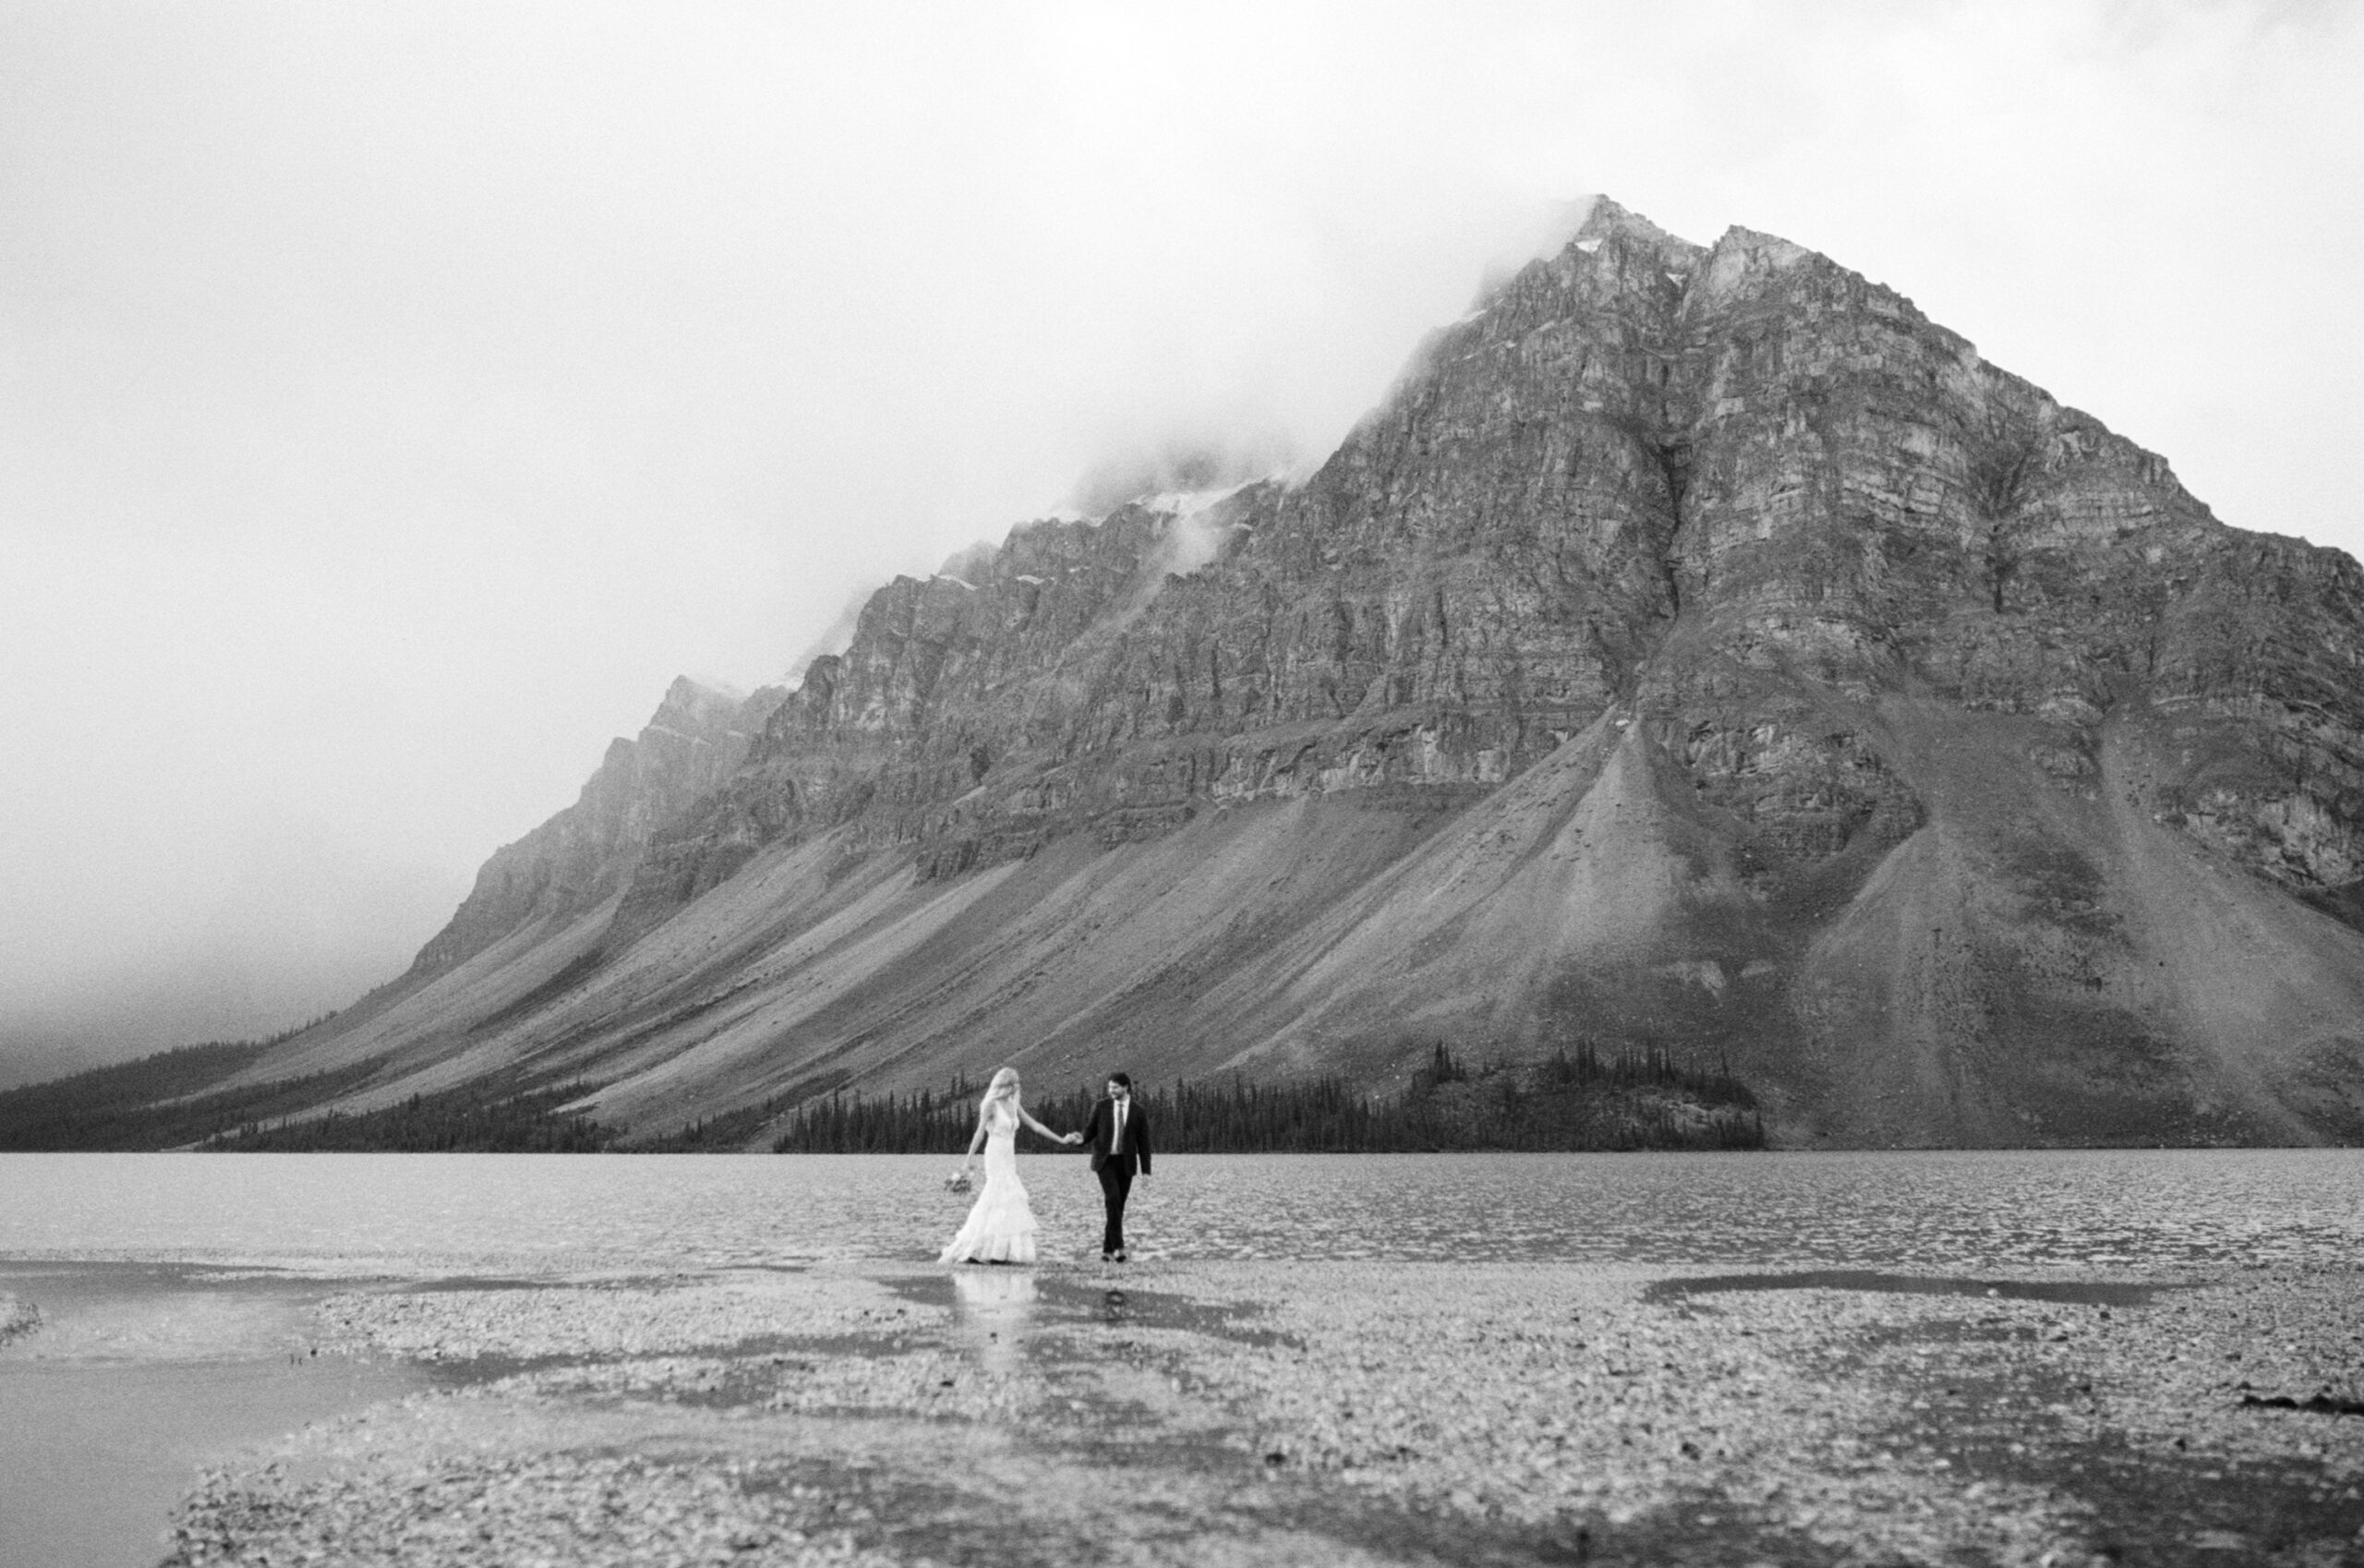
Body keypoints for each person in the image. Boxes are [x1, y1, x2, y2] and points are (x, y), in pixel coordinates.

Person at [939, 1067, 1080, 1265]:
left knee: (1009, 1199)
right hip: (995, 1154)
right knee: (997, 1195)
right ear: (1006, 1085)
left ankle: (1000, 1251)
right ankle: (978, 1248)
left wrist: (1062, 1140)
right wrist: (967, 1160)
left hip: (1009, 1156)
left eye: (1017, 1084)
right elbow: (979, 1133)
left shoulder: (1014, 1104)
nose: (1018, 1087)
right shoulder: (990, 1104)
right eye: (1015, 1084)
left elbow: (1036, 1126)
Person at [1081, 1072, 1152, 1262]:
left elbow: (1144, 1144)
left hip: (1126, 1163)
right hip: (1105, 1162)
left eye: (1115, 1087)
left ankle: (1106, 1250)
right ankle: (1119, 1246)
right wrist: (1080, 1139)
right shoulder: (1101, 1106)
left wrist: (1146, 1172)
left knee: (1118, 1206)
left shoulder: (1138, 1111)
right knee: (1112, 1198)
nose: (1111, 1090)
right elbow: (1090, 1131)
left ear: (1126, 1087)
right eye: (1110, 1087)